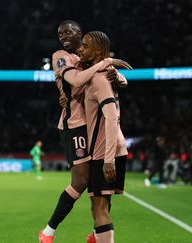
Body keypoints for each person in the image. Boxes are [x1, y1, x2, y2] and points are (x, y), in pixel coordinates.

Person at [39, 20, 131, 243]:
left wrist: (116, 76)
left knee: (100, 188)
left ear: (80, 34)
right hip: (75, 125)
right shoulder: (61, 56)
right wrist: (107, 62)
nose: (64, 36)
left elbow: (122, 81)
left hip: (94, 126)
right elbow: (77, 79)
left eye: (68, 32)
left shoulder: (87, 56)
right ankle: (48, 232)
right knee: (81, 180)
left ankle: (99, 233)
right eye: (60, 34)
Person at [79, 30, 129, 243]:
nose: (80, 49)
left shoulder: (100, 79)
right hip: (110, 147)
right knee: (99, 206)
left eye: (85, 46)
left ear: (98, 51)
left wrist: (108, 160)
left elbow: (111, 118)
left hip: (104, 151)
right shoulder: (102, 74)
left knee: (100, 209)